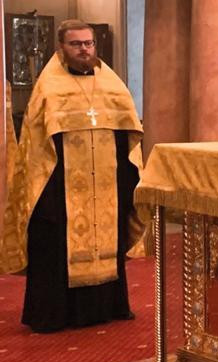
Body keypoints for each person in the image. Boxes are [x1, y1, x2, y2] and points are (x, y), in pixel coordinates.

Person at [1, 20, 144, 333]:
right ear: (61, 47)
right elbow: (36, 147)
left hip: (105, 185)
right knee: (55, 243)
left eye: (88, 43)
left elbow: (127, 135)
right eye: (76, 44)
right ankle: (55, 314)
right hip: (61, 186)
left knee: (108, 239)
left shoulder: (112, 84)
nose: (84, 50)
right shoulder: (49, 87)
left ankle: (108, 306)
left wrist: (127, 182)